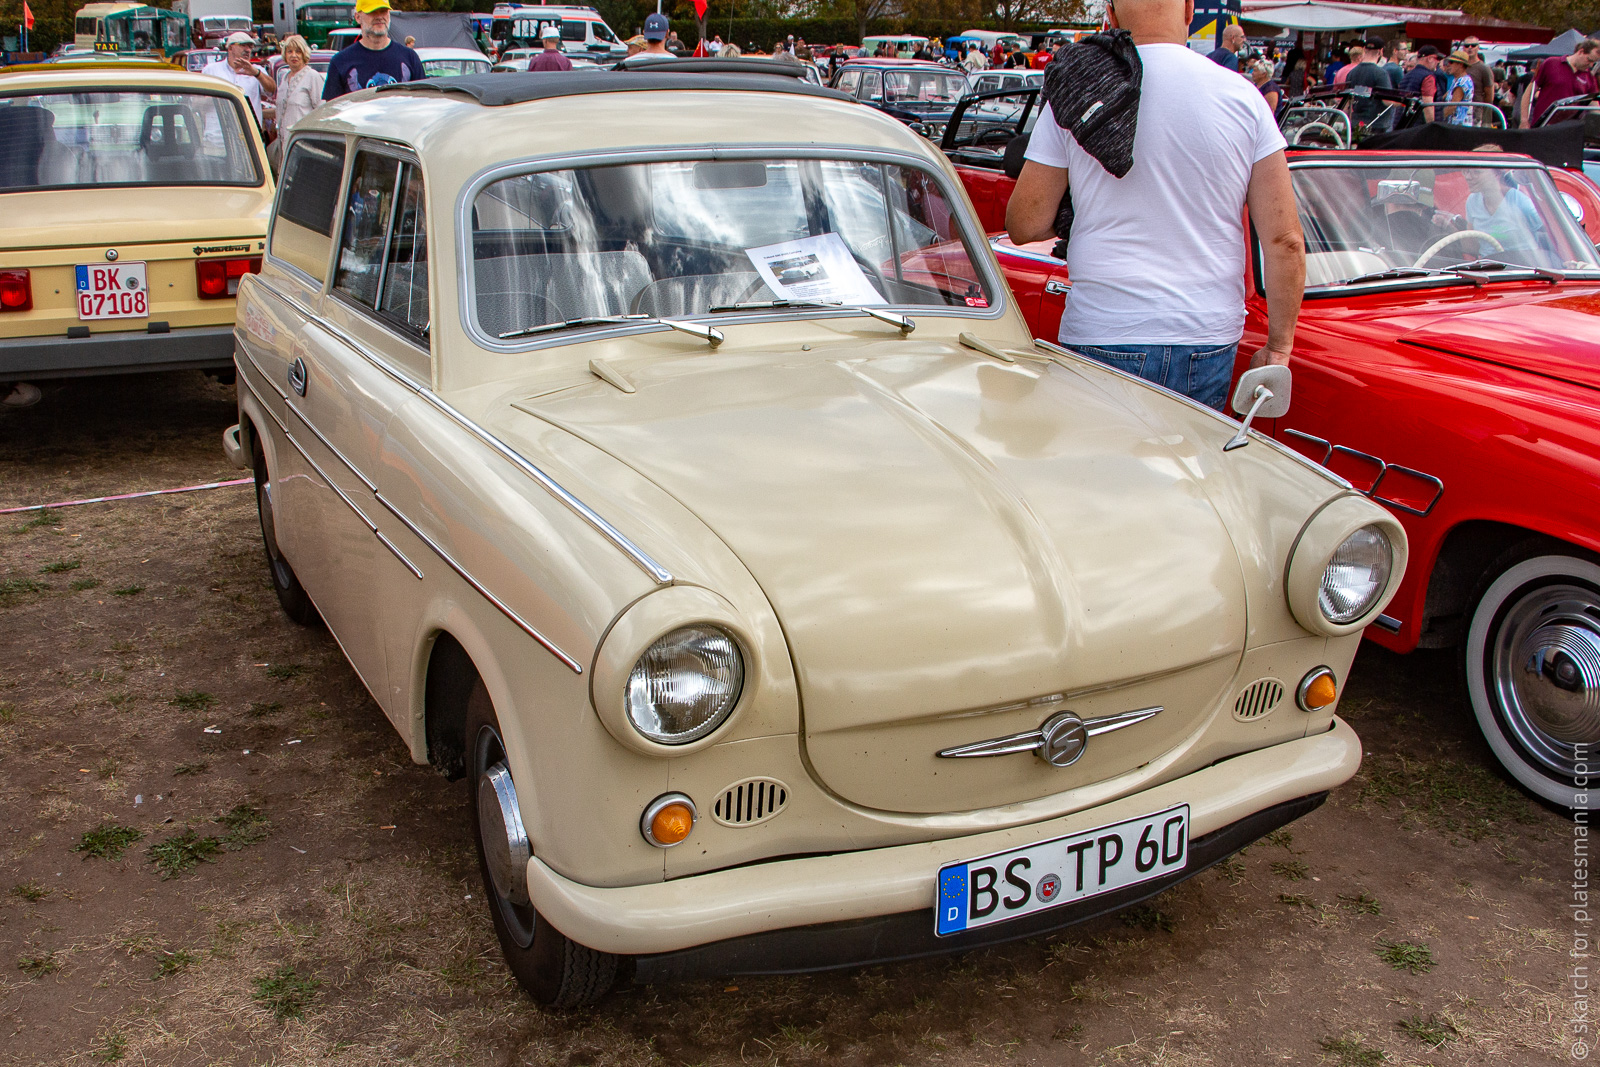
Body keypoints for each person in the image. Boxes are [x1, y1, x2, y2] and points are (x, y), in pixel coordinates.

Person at [1005, 0, 1305, 410]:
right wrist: (1279, 347)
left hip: (1103, 325)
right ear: (1188, 10)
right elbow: (1284, 240)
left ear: (1110, 15)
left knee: (1100, 470)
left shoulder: (1078, 93)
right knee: (1188, 471)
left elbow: (1024, 224)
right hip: (1206, 333)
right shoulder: (1244, 98)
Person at [322, 0, 423, 101]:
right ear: (358, 17)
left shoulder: (409, 57)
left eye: (383, 11)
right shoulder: (340, 61)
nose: (379, 17)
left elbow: (422, 103)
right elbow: (332, 110)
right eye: (372, 12)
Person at [269, 34, 324, 170]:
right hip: (284, 142)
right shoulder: (284, 78)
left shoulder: (312, 76)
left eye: (298, 51)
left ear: (304, 54)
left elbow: (322, 110)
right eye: (290, 52)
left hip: (305, 143)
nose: (294, 55)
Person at [203, 31, 276, 127]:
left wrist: (256, 74)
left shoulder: (257, 70)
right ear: (230, 48)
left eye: (250, 47)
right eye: (243, 45)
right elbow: (198, 104)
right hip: (218, 135)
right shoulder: (211, 70)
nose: (248, 50)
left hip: (248, 134)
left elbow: (272, 89)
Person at [1524, 37, 1599, 126]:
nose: (1590, 65)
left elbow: (1594, 105)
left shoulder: (1589, 76)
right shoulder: (1551, 63)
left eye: (1593, 63)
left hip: (1568, 129)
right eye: (1589, 60)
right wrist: (1524, 120)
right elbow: (1529, 91)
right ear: (1581, 52)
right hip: (1543, 126)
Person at [1345, 37, 1394, 128]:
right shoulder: (1381, 74)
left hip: (1355, 123)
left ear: (1364, 49)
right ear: (1380, 52)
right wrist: (1402, 102)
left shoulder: (1352, 73)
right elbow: (1387, 101)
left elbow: (1347, 101)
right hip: (1376, 125)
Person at [1399, 44, 1441, 122]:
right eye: (1436, 58)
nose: (1438, 62)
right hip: (1418, 126)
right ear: (1429, 58)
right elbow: (1428, 105)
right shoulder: (1428, 77)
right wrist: (1432, 126)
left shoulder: (1407, 75)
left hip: (1401, 122)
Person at [1442, 51, 1476, 125]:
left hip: (1458, 126)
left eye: (1451, 62)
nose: (1448, 65)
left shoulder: (1462, 82)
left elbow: (1452, 107)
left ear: (1460, 65)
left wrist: (1437, 117)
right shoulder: (1456, 80)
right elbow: (1445, 97)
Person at [1460, 36, 1493, 112]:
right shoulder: (1459, 66)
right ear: (1463, 48)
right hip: (1459, 110)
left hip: (1476, 111)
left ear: (1478, 47)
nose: (1470, 48)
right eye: (1467, 46)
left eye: (1473, 45)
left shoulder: (1484, 68)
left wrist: (1485, 116)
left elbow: (1489, 95)